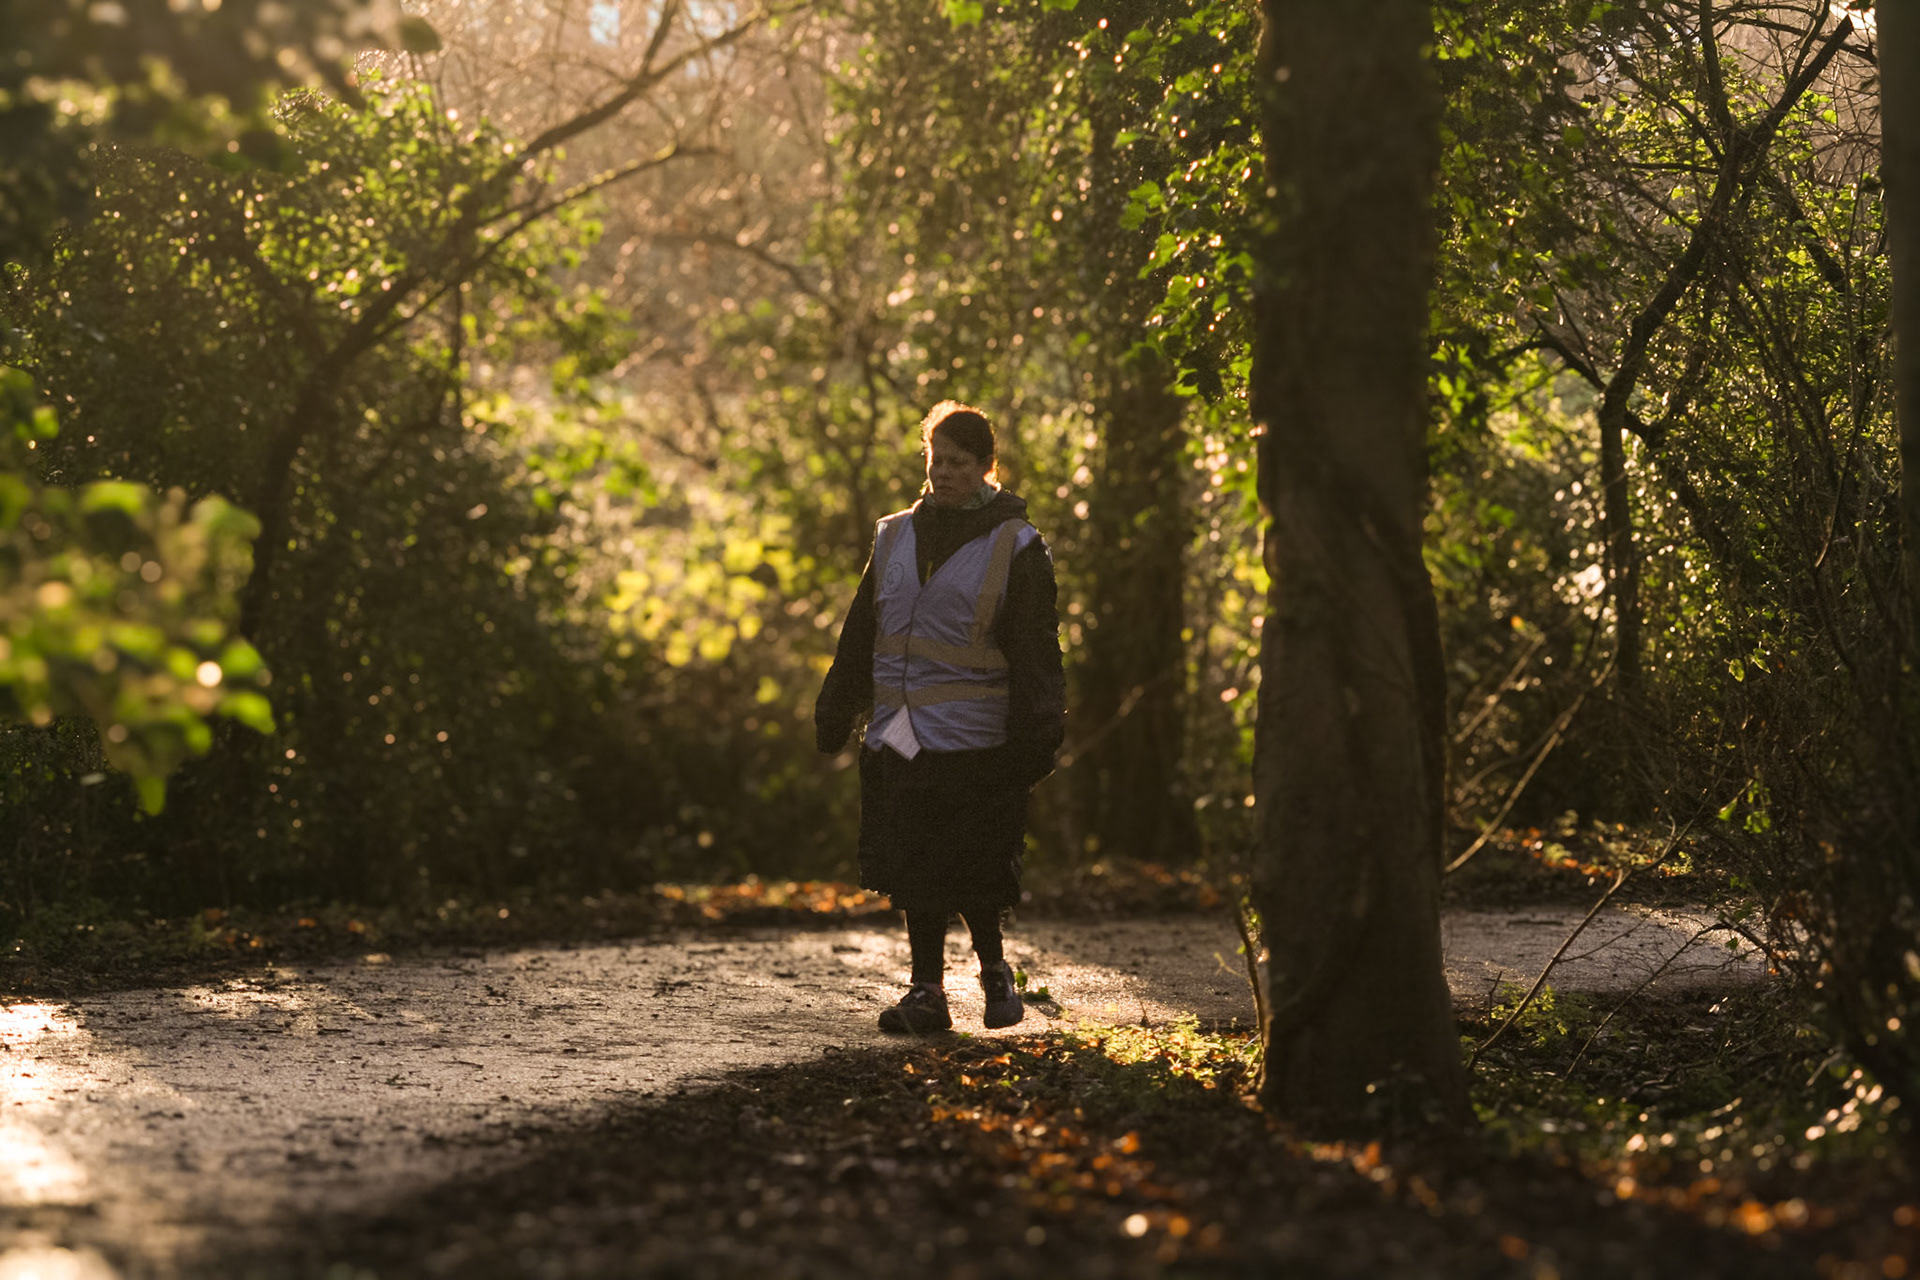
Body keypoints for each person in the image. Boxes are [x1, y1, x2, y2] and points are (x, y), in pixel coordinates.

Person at [815, 401, 1067, 1033]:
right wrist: (837, 703)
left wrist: (1038, 737)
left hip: (977, 739)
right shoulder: (893, 534)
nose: (945, 471)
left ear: (987, 467)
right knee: (914, 865)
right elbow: (861, 627)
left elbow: (1036, 651)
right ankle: (926, 992)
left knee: (973, 864)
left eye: (960, 462)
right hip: (899, 732)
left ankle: (994, 974)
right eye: (936, 458)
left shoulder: (1018, 545)